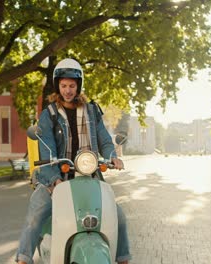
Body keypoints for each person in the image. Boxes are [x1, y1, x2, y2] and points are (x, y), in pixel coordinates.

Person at [15, 58, 131, 264]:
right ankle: (23, 259)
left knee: (118, 216)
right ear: (58, 86)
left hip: (89, 176)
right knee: (35, 215)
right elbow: (46, 147)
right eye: (64, 85)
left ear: (78, 86)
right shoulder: (48, 115)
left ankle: (123, 259)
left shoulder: (92, 110)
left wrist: (112, 155)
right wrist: (54, 180)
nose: (68, 90)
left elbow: (103, 138)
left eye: (72, 85)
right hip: (57, 177)